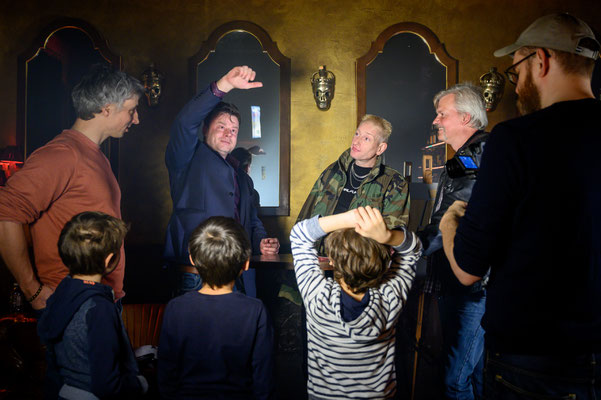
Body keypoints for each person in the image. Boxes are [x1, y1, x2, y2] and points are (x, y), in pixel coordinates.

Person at [439, 13, 601, 398]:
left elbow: (467, 268)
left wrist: (448, 226)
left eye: (515, 72)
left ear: (540, 60)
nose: (515, 85)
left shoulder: (509, 140)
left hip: (532, 358)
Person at [0, 64, 143, 311]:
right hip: (74, 303)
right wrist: (31, 290)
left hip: (99, 300)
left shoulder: (94, 154)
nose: (136, 119)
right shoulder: (63, 154)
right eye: (132, 110)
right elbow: (5, 213)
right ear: (107, 109)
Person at [164, 66, 279, 297]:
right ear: (205, 129)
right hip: (198, 274)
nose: (229, 134)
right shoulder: (186, 158)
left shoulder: (243, 179)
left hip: (241, 276)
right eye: (221, 127)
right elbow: (184, 123)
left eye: (234, 130)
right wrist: (224, 84)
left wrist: (262, 243)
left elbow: (252, 222)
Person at [291, 206, 422, 399]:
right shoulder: (390, 299)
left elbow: (299, 234)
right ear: (384, 261)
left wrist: (351, 218)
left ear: (332, 261)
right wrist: (386, 236)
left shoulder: (318, 298)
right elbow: (414, 249)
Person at [418, 83, 489, 400]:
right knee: (473, 376)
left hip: (471, 287)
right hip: (463, 284)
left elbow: (451, 223)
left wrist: (400, 246)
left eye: (441, 114)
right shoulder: (465, 158)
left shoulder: (476, 156)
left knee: (454, 380)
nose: (436, 121)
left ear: (465, 117)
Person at [158, 216, 274, 400]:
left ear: (192, 261)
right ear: (246, 263)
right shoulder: (255, 310)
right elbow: (263, 374)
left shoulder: (175, 308)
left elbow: (166, 371)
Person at [37, 211, 148, 399]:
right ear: (109, 260)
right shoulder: (99, 309)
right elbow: (107, 386)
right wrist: (139, 384)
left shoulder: (60, 294)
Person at [296, 114, 409, 253]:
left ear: (380, 148)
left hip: (358, 267)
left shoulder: (395, 183)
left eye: (366, 138)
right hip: (318, 261)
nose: (356, 141)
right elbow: (305, 217)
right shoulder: (332, 171)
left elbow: (393, 238)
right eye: (357, 134)